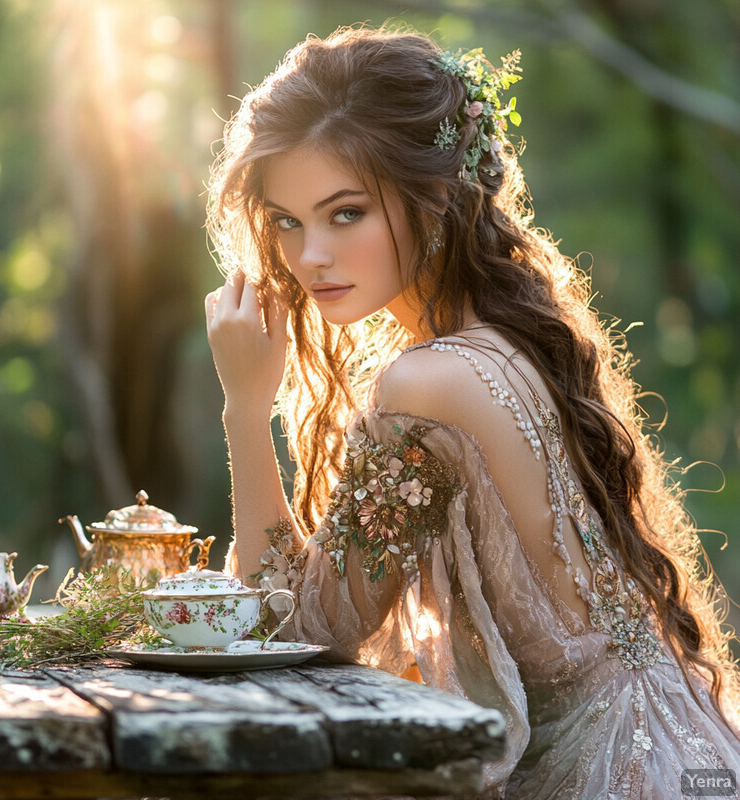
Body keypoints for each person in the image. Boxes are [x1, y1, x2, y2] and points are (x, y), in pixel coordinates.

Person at [204, 25, 740, 799]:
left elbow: (293, 630)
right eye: (287, 220)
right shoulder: (505, 342)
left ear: (438, 200)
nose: (308, 254)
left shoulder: (432, 383)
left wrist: (246, 409)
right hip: (676, 742)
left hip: (615, 772)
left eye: (345, 213)